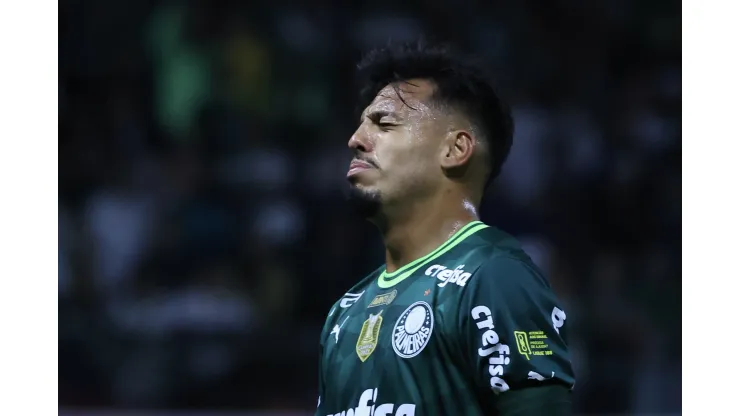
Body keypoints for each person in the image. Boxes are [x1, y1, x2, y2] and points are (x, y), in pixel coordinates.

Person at [316, 41, 575, 416]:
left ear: (455, 149)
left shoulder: (493, 277)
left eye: (384, 124)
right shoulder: (346, 310)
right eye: (360, 125)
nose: (355, 139)